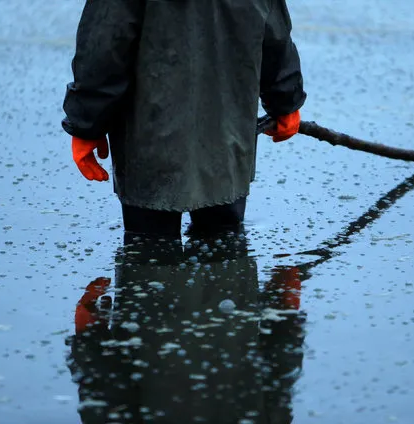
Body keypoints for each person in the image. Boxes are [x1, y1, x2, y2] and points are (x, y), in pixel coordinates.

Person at [61, 0, 306, 237]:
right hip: (226, 142)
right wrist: (285, 100)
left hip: (150, 145)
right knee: (224, 255)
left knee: (149, 257)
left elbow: (106, 40)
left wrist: (86, 124)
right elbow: (274, 30)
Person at [66, 229, 306, 423]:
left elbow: (105, 403)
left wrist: (90, 338)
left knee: (153, 226)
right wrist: (283, 313)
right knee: (219, 221)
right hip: (224, 306)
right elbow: (276, 389)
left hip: (153, 310)